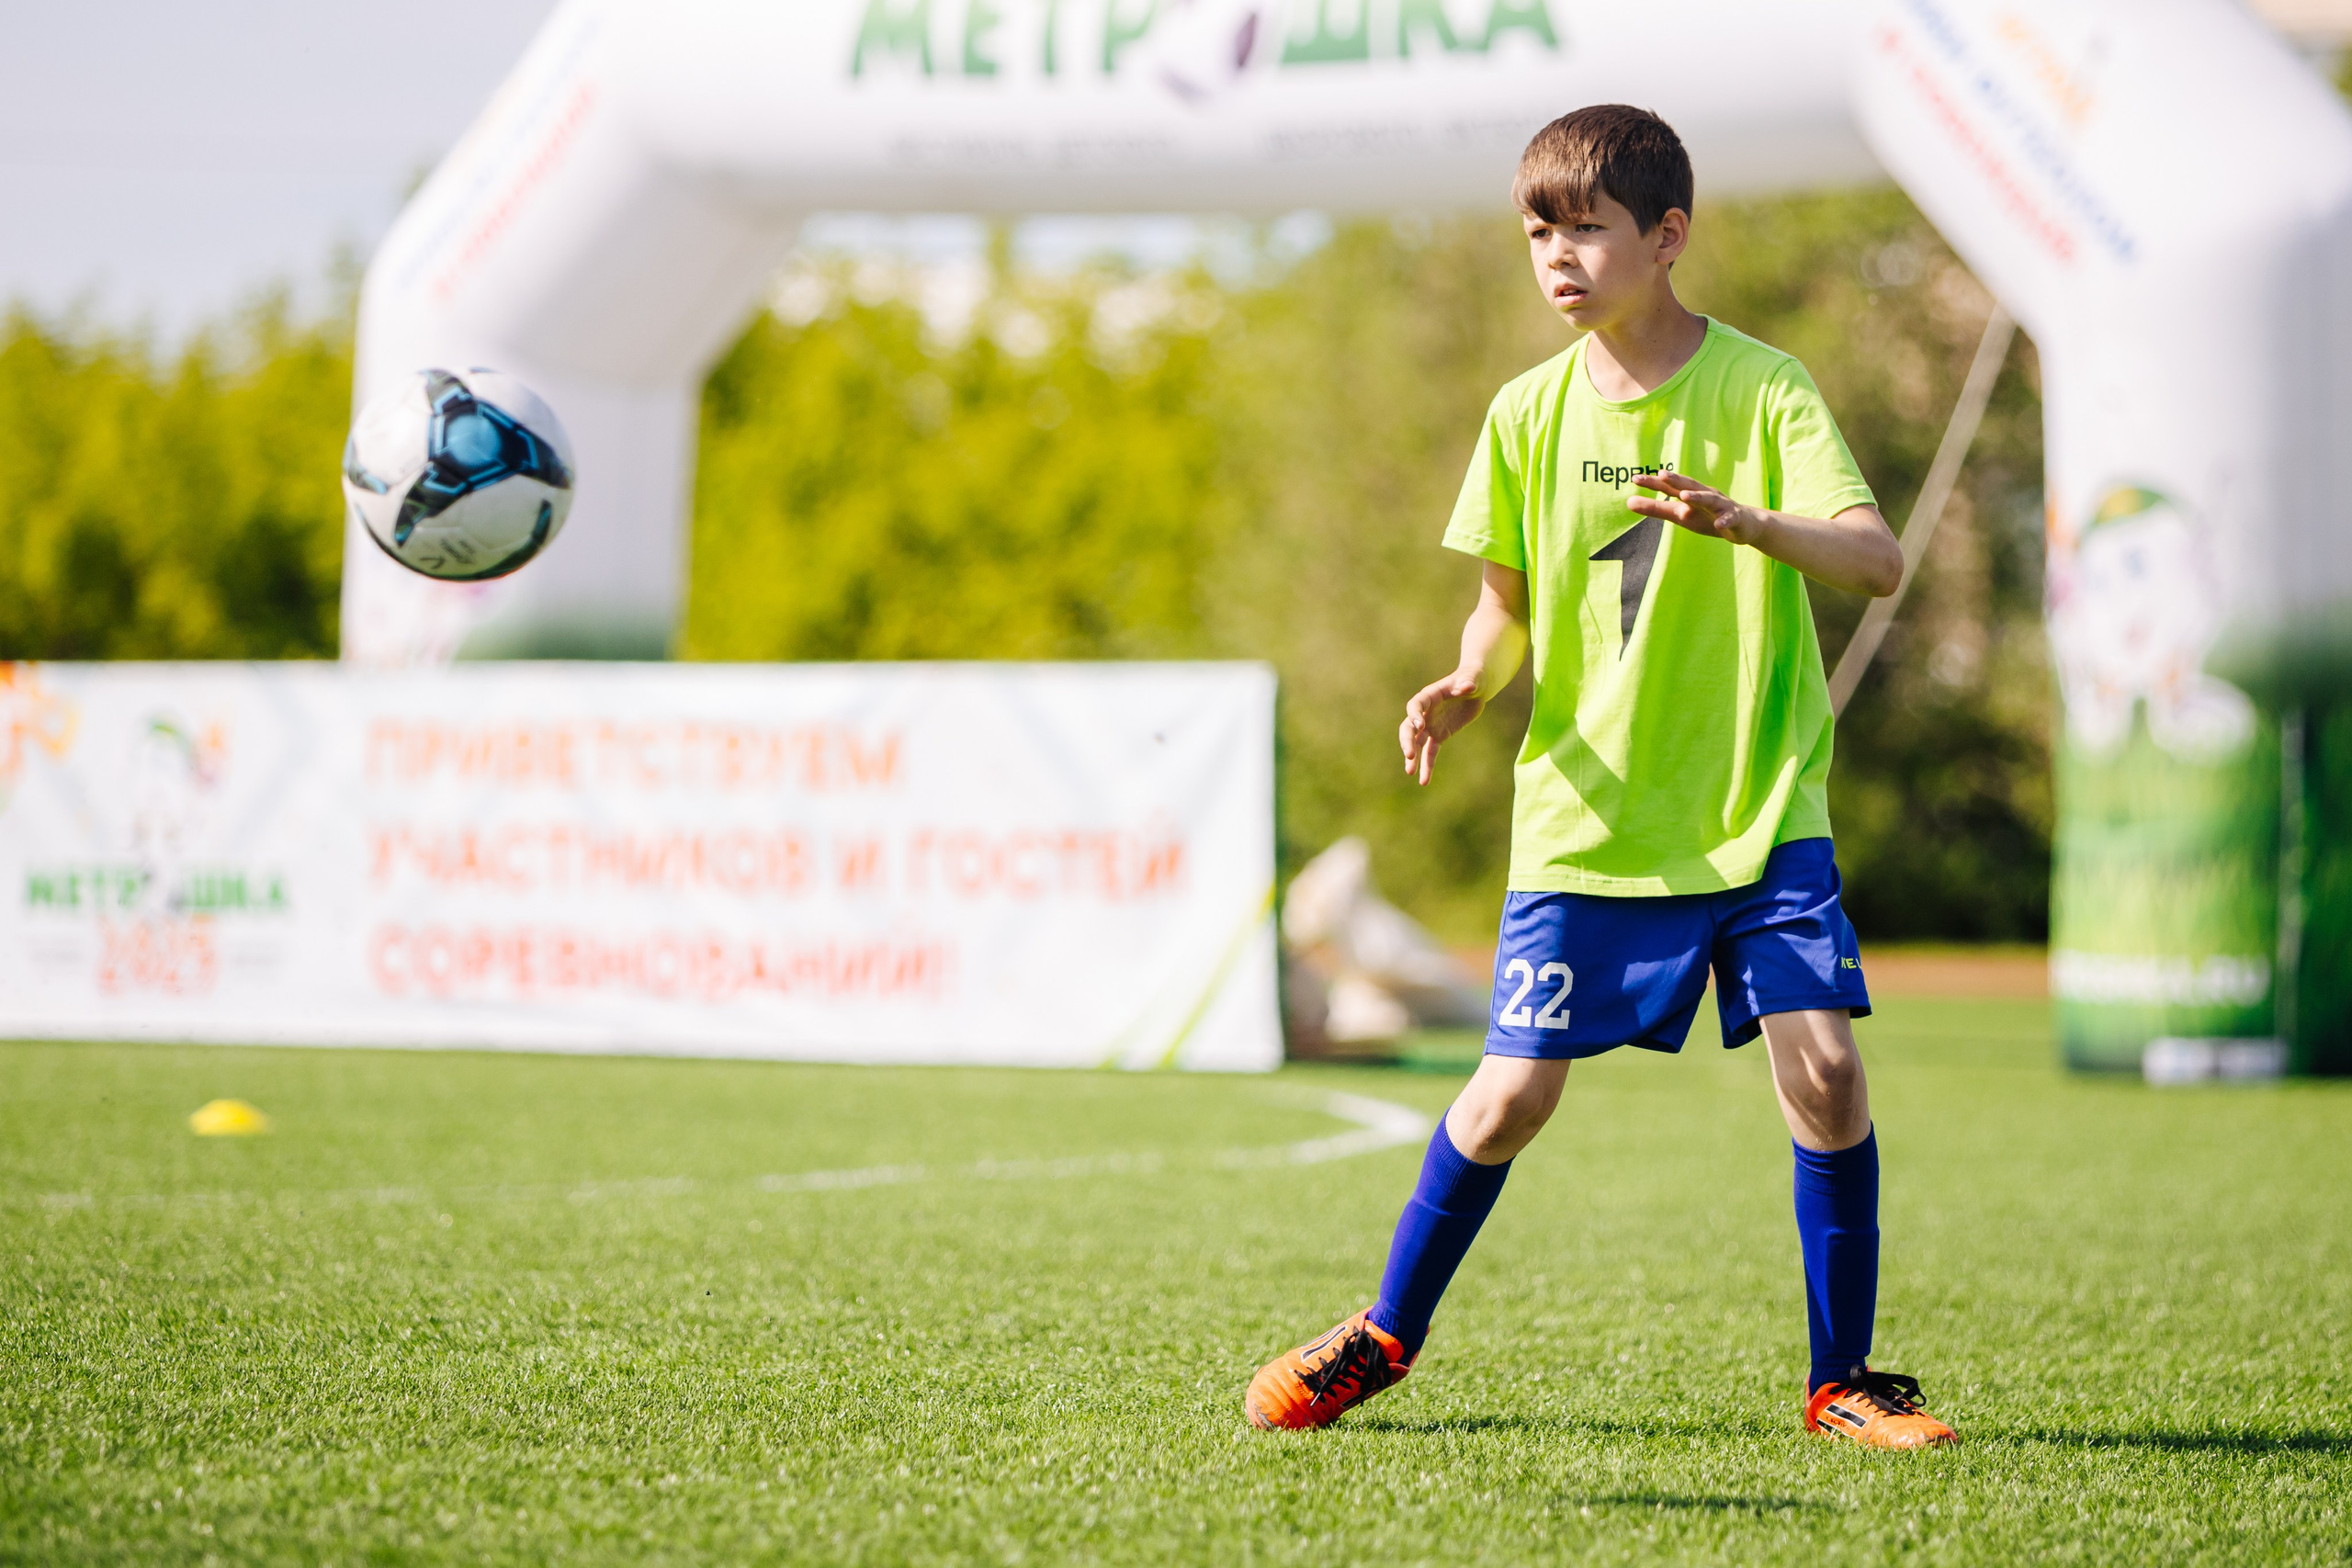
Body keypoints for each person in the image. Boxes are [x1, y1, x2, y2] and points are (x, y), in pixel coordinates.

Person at [1243, 105, 1957, 1450]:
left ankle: (1841, 1382)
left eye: (1586, 227)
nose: (1557, 255)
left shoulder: (1764, 390)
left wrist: (1745, 519)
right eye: (1538, 230)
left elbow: (1877, 562)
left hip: (1755, 809)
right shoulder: (1523, 415)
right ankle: (1384, 1334)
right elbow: (1503, 609)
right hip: (1587, 814)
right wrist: (1466, 685)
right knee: (1511, 1097)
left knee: (1828, 1078)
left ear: (1667, 237)